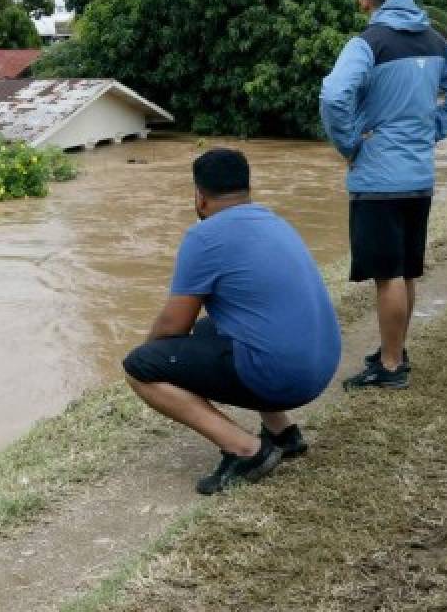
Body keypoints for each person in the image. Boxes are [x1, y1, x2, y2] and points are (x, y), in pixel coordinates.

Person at [122, 149, 341, 495]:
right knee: (211, 327)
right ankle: (283, 433)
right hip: (321, 364)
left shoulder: (204, 237)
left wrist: (150, 351)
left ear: (199, 196)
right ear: (247, 188)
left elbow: (173, 324)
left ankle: (246, 451)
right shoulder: (274, 220)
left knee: (140, 366)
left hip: (285, 377)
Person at [319, 0, 447, 390]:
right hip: (418, 177)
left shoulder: (367, 42)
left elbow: (334, 95)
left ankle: (391, 366)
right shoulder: (434, 40)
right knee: (406, 271)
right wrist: (433, 129)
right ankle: (396, 349)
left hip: (378, 180)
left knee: (387, 275)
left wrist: (350, 143)